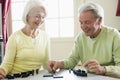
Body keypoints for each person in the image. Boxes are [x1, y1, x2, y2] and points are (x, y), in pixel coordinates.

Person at [47, 2, 120, 77]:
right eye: (81, 22)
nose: (83, 27)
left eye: (87, 22)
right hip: (90, 77)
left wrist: (103, 69)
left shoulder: (114, 35)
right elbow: (71, 61)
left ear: (100, 20)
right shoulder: (80, 38)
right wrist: (58, 63)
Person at [0, 0, 50, 79]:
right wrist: (1, 72)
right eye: (37, 16)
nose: (41, 20)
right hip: (17, 78)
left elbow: (46, 63)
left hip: (37, 78)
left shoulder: (45, 37)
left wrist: (58, 66)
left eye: (43, 17)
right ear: (27, 16)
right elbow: (7, 64)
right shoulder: (14, 38)